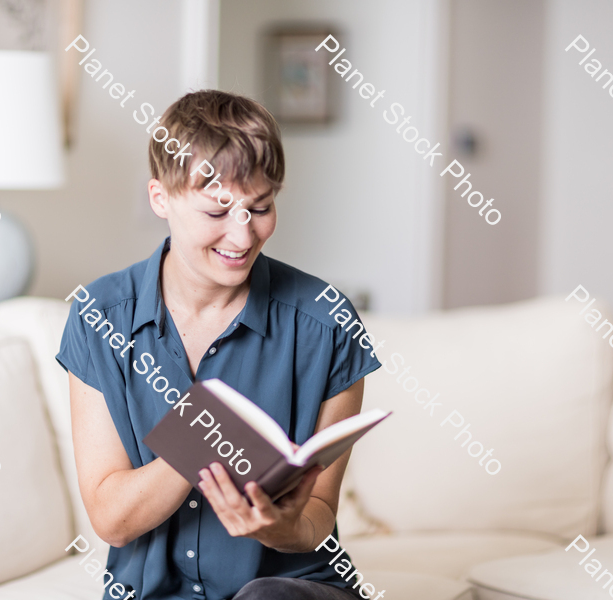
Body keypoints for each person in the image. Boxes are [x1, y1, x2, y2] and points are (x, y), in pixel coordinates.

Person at [57, 90, 381, 600]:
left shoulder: (326, 323)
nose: (243, 235)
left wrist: (276, 526)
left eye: (262, 207)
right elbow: (111, 520)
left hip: (290, 590)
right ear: (160, 198)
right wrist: (205, 441)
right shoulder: (100, 318)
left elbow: (318, 517)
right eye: (218, 212)